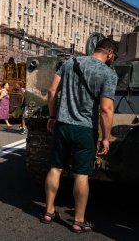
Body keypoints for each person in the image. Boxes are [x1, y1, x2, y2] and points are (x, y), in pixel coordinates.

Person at [41, 38, 118, 233]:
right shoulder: (108, 73)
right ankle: (78, 220)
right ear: (109, 54)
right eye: (113, 57)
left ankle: (49, 212)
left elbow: (51, 91)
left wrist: (52, 116)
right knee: (81, 174)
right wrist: (106, 138)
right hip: (85, 130)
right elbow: (106, 109)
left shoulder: (69, 63)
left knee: (56, 168)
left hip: (63, 125)